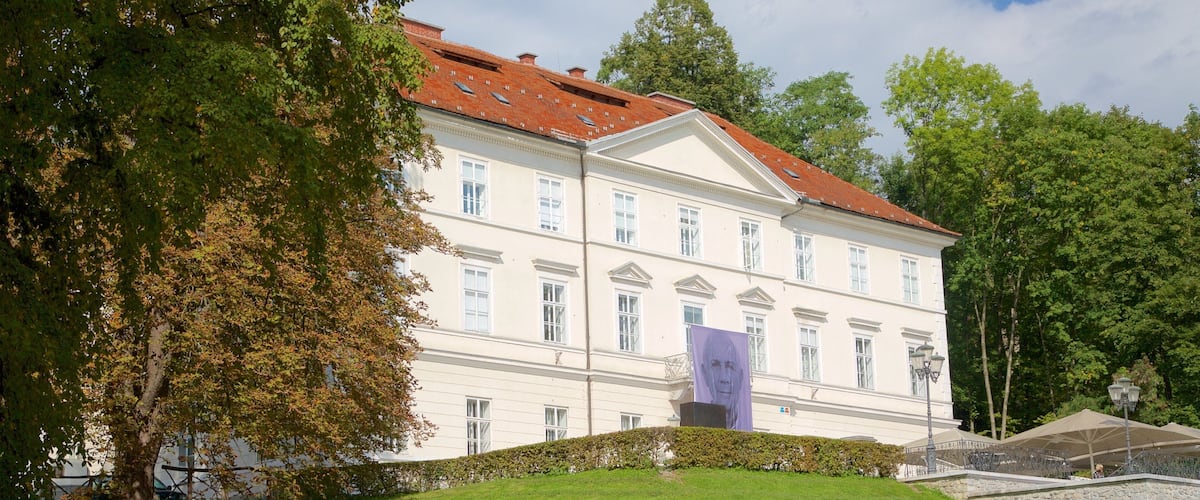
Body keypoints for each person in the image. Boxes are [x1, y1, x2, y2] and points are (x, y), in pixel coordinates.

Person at [700, 334, 744, 429]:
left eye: (730, 366)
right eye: (715, 365)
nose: (724, 378)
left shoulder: (745, 422)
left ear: (741, 377)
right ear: (704, 374)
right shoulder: (700, 423)